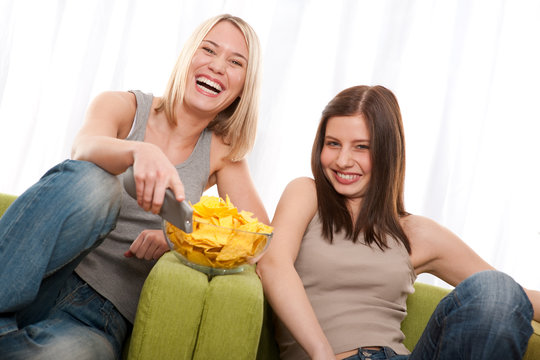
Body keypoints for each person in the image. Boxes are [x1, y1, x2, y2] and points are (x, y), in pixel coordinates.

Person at [0, 14, 268, 359]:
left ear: (244, 85)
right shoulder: (123, 106)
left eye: (235, 62)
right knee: (95, 182)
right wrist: (140, 151)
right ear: (189, 55)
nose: (217, 66)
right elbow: (83, 148)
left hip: (96, 318)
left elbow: (258, 240)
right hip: (42, 277)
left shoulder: (223, 153)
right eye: (209, 50)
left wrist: (180, 240)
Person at [256, 85, 540, 360]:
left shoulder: (415, 233)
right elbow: (273, 263)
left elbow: (513, 297)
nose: (343, 160)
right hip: (328, 356)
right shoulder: (307, 193)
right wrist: (321, 352)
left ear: (388, 153)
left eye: (362, 147)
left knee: (497, 288)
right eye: (333, 144)